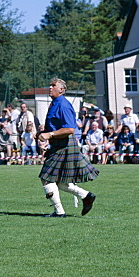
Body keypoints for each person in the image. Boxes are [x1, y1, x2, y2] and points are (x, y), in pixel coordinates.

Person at [37, 78, 98, 216]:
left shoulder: (63, 104)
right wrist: (43, 133)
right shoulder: (54, 104)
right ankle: (86, 196)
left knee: (46, 177)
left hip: (65, 144)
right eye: (50, 84)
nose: (50, 87)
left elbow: (70, 128)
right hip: (59, 144)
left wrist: (50, 135)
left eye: (53, 85)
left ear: (62, 90)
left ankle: (59, 212)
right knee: (59, 181)